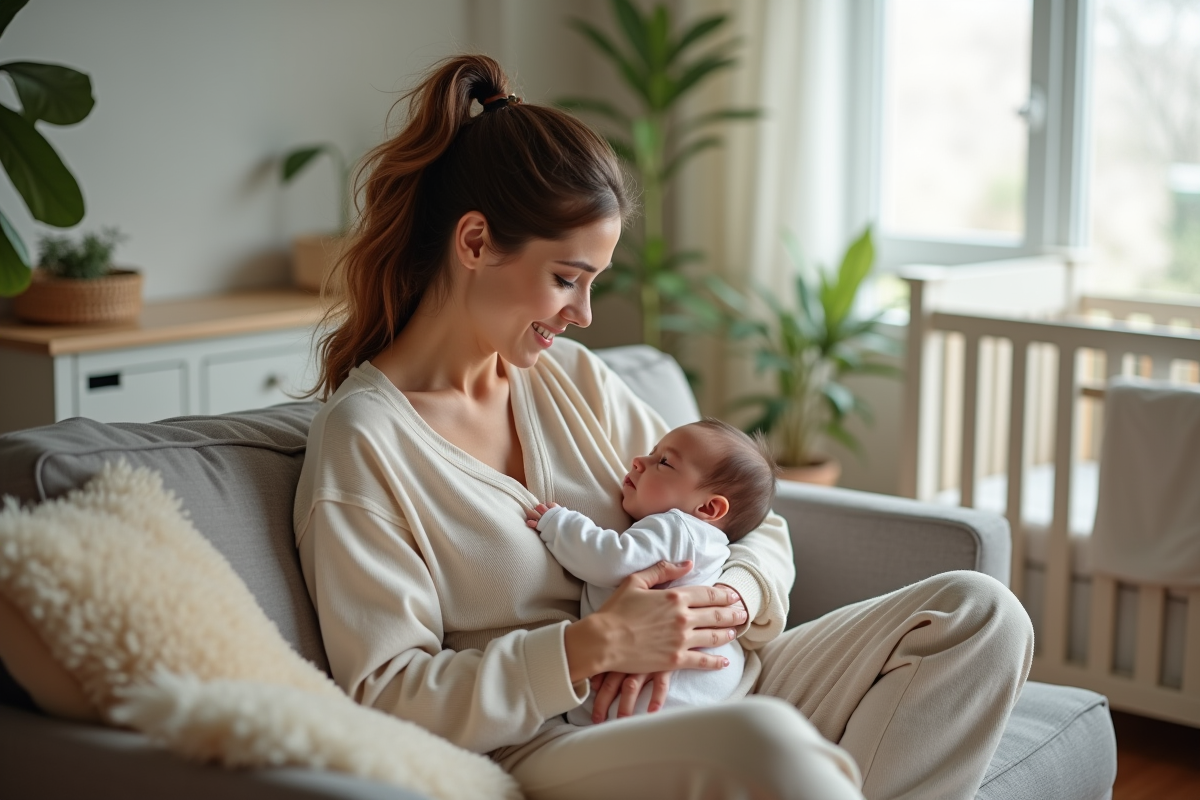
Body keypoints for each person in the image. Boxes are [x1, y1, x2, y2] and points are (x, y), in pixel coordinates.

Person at [294, 53, 1034, 800]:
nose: (582, 315)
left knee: (980, 613)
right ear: (477, 242)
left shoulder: (573, 380)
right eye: (565, 278)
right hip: (563, 735)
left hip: (719, 681)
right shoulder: (365, 443)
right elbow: (386, 695)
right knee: (767, 748)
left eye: (592, 284)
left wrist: (732, 601)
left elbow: (752, 522)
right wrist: (596, 644)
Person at [525, 418, 777, 726]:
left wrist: (559, 524)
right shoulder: (709, 540)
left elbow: (609, 561)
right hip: (718, 684)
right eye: (652, 452)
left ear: (709, 509)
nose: (638, 460)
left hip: (669, 696)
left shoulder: (676, 526)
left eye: (664, 462)